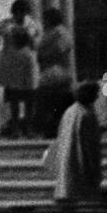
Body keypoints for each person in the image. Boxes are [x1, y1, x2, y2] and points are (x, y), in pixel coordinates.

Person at [49, 80, 102, 202]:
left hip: (66, 162)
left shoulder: (70, 111)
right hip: (80, 167)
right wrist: (94, 170)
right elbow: (89, 147)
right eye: (96, 93)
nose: (97, 96)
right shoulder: (86, 114)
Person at [0, 0, 40, 137]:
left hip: (28, 63)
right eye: (18, 13)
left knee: (30, 98)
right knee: (14, 98)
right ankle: (15, 128)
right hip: (12, 65)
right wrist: (16, 29)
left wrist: (28, 33)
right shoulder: (6, 24)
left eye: (24, 13)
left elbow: (36, 42)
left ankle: (28, 127)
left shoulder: (33, 24)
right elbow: (0, 31)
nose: (21, 16)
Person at [34, 8, 76, 138]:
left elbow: (61, 49)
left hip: (58, 72)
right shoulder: (50, 32)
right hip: (49, 71)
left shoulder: (60, 33)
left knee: (55, 103)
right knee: (50, 103)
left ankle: (55, 129)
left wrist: (44, 54)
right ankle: (50, 128)